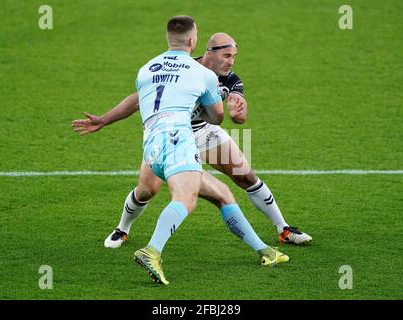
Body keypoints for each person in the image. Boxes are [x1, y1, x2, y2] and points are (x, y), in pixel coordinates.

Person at [73, 16, 289, 285]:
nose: (231, 61)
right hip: (179, 138)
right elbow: (218, 117)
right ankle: (151, 250)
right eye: (227, 54)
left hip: (153, 141)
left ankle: (267, 250)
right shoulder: (203, 75)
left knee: (223, 193)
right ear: (194, 41)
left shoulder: (146, 69)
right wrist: (230, 111)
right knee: (183, 199)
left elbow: (139, 100)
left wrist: (104, 119)